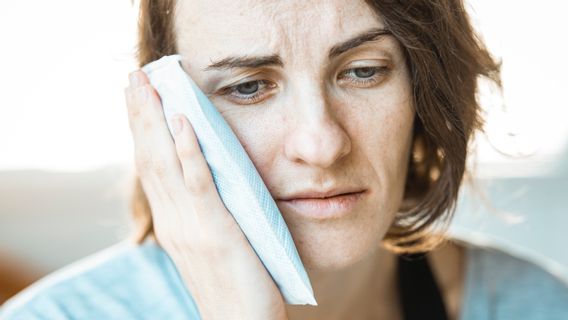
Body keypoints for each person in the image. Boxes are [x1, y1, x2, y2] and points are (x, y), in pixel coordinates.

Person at [2, 0, 568, 319]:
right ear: (164, 110)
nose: (321, 145)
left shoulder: (534, 306)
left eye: (364, 71)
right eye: (248, 86)